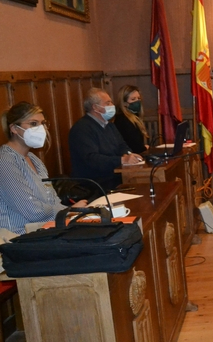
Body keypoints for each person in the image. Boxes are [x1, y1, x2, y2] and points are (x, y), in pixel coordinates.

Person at [0, 102, 87, 234]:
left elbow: (53, 199)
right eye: (33, 124)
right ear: (14, 128)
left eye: (43, 123)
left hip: (43, 230)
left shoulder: (34, 159)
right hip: (18, 237)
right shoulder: (5, 161)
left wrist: (68, 211)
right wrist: (68, 211)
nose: (42, 129)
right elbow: (31, 211)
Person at [69, 88, 144, 191]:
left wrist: (129, 154)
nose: (112, 105)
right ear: (95, 107)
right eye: (108, 103)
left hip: (114, 178)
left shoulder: (109, 125)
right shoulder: (82, 128)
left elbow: (122, 145)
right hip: (95, 184)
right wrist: (121, 160)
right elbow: (92, 159)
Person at [114, 85, 149, 154]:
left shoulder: (134, 117)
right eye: (133, 99)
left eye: (138, 98)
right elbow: (134, 145)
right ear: (124, 103)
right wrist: (144, 148)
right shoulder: (122, 120)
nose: (137, 101)